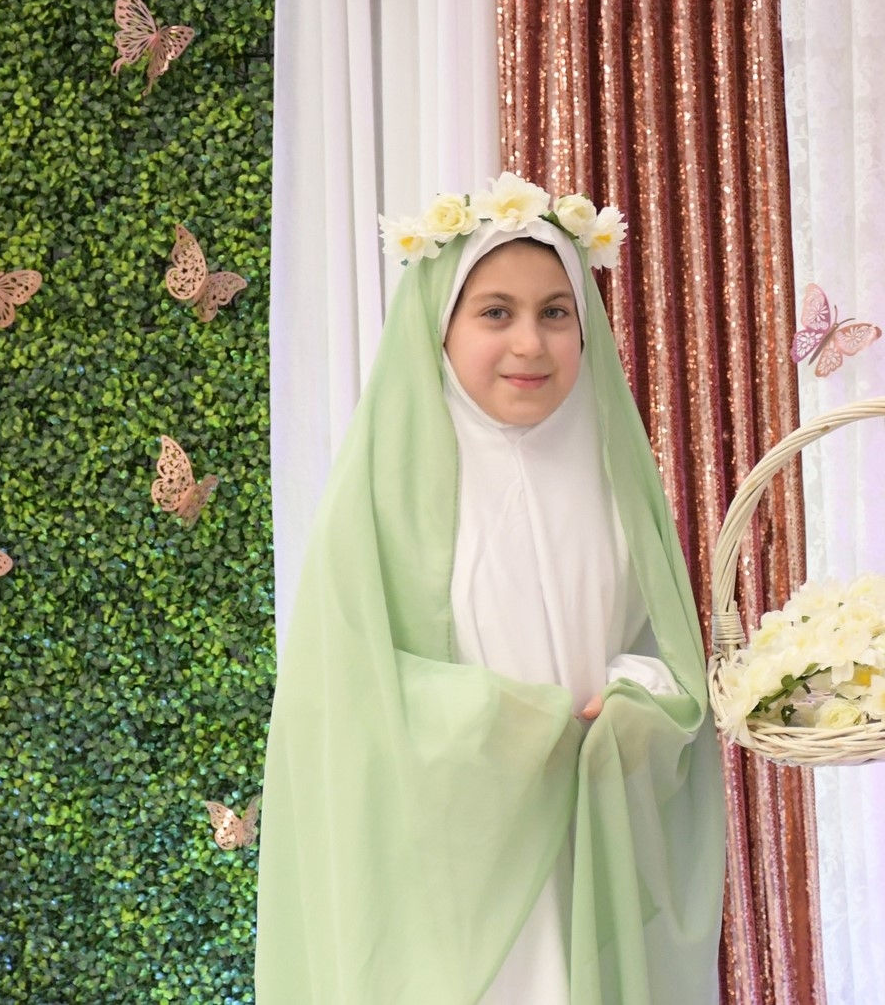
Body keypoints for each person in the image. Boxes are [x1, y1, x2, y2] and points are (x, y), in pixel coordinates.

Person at [255, 174, 726, 1004]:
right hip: (452, 879)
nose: (530, 344)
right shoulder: (384, 496)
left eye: (556, 312)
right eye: (496, 312)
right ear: (439, 327)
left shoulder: (617, 484)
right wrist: (513, 725)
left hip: (589, 850)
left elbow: (664, 654)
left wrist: (635, 700)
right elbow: (339, 698)